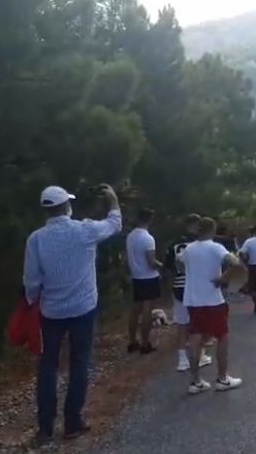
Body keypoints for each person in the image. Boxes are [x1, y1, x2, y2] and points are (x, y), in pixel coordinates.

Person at [23, 185, 122, 445]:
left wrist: (33, 301)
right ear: (67, 206)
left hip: (51, 312)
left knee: (47, 367)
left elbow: (32, 280)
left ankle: (45, 428)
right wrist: (113, 200)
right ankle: (72, 422)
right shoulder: (84, 230)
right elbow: (114, 224)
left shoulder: (36, 239)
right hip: (83, 309)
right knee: (79, 364)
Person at [177, 217, 243, 394]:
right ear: (212, 230)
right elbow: (236, 263)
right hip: (212, 300)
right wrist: (224, 278)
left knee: (195, 338)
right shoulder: (215, 247)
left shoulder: (188, 249)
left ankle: (195, 381)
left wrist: (190, 273)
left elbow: (178, 262)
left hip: (192, 299)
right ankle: (222, 378)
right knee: (222, 336)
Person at [164, 214, 211, 372]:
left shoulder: (174, 245)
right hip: (196, 286)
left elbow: (168, 269)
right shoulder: (200, 244)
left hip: (178, 287)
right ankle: (201, 355)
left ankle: (182, 359)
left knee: (182, 323)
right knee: (199, 323)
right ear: (198, 226)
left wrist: (170, 288)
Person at [125, 208, 163, 354]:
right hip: (148, 277)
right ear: (149, 220)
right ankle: (145, 342)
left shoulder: (130, 236)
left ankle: (132, 341)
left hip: (136, 276)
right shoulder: (148, 238)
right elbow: (151, 261)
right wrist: (162, 266)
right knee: (147, 311)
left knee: (135, 310)